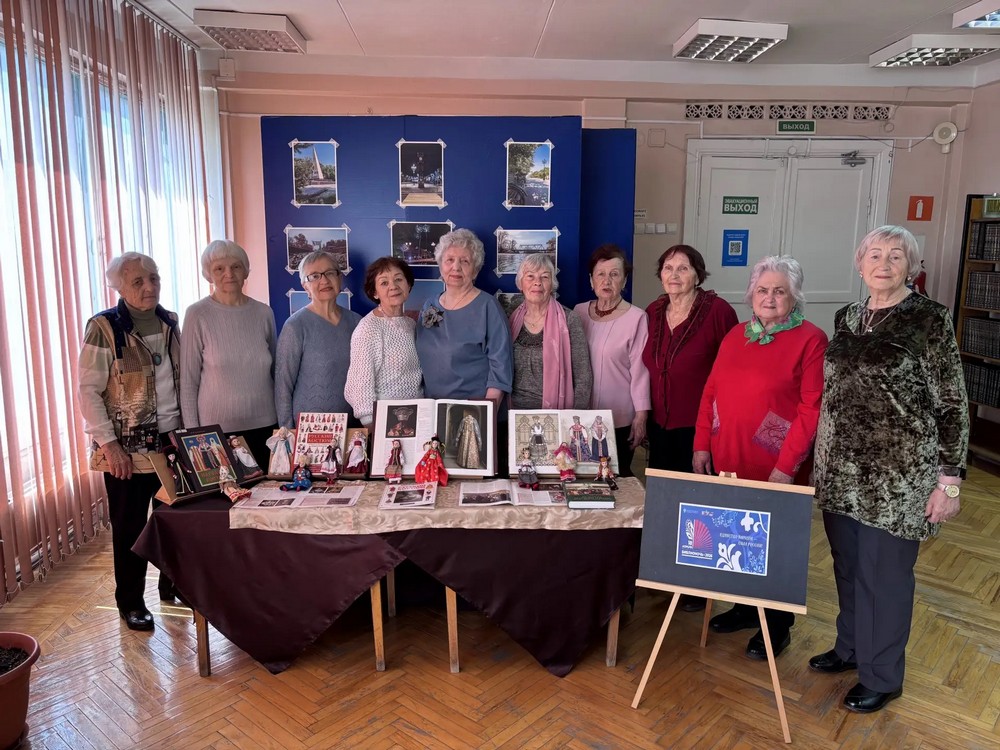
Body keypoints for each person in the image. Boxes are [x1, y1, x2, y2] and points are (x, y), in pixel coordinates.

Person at [810, 226, 968, 714]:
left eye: (895, 256)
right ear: (860, 265)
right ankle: (851, 647)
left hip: (897, 479)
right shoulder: (847, 316)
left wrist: (949, 481)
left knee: (885, 577)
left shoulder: (929, 319)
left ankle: (882, 675)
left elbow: (952, 402)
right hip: (840, 470)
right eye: (874, 255)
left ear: (911, 267)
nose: (884, 263)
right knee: (848, 566)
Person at [693, 256, 828, 660]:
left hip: (776, 464)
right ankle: (744, 607)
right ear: (751, 293)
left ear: (794, 296)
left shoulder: (811, 339)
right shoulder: (737, 335)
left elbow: (811, 408)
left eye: (779, 291)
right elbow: (711, 390)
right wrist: (701, 443)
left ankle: (777, 625)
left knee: (776, 544)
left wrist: (786, 468)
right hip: (729, 454)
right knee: (736, 536)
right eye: (763, 290)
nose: (769, 298)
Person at [78, 252, 181, 630]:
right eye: (138, 281)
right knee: (130, 528)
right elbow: (88, 392)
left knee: (174, 521)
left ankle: (174, 585)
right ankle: (131, 602)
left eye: (153, 278)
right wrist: (109, 445)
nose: (149, 287)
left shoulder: (170, 321)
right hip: (126, 448)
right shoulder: (104, 327)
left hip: (171, 441)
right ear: (119, 288)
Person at [642, 245, 738, 473]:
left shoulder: (718, 312)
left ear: (697, 276)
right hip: (658, 426)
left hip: (700, 429)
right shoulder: (653, 311)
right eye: (668, 268)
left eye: (683, 268)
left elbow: (734, 374)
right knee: (662, 488)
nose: (674, 275)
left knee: (696, 491)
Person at [181, 240, 277, 468]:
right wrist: (194, 438)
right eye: (219, 268)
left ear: (246, 271)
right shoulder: (197, 314)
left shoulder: (264, 313)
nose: (229, 274)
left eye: (236, 266)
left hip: (266, 428)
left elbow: (276, 372)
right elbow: (188, 383)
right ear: (208, 275)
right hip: (215, 434)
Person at [574, 244, 650, 477]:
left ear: (624, 281)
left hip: (619, 417)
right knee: (581, 477)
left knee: (617, 478)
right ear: (591, 280)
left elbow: (640, 371)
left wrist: (641, 415)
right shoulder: (578, 313)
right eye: (601, 274)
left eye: (614, 274)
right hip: (581, 415)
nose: (607, 281)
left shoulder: (637, 318)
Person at [415, 228, 512, 406]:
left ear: (475, 271)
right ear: (440, 266)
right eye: (450, 260)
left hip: (472, 409)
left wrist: (486, 413)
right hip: (431, 409)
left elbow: (501, 368)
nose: (456, 267)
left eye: (465, 261)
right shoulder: (429, 305)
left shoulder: (488, 307)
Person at [275, 251, 362, 428]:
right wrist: (288, 432)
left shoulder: (357, 322)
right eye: (314, 276)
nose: (324, 281)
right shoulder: (295, 326)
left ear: (340, 278)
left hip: (352, 430)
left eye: (330, 273)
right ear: (305, 286)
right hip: (309, 433)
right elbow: (283, 385)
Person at [345, 257, 423, 428]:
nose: (393, 286)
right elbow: (359, 386)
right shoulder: (368, 328)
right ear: (375, 292)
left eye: (398, 279)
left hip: (417, 417)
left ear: (408, 285)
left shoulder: (411, 324)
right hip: (386, 423)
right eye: (384, 283)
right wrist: (373, 426)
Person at [509, 253, 593, 410]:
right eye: (530, 276)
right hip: (512, 412)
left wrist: (573, 417)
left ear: (552, 284)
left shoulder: (569, 320)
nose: (537, 282)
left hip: (555, 414)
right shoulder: (509, 317)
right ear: (520, 283)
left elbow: (583, 377)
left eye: (545, 277)